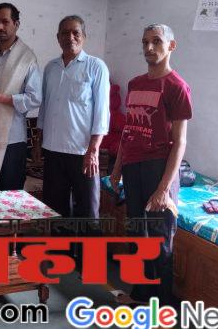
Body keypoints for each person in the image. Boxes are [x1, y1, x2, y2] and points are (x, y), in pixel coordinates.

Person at [110, 23, 192, 305]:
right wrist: (117, 168)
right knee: (138, 234)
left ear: (171, 46)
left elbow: (179, 142)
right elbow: (128, 130)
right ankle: (141, 295)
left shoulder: (177, 87)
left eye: (156, 41)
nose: (149, 47)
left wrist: (163, 188)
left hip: (159, 168)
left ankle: (162, 305)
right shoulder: (135, 84)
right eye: (145, 42)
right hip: (133, 168)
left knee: (160, 239)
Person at [38, 15, 110, 219]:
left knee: (87, 212)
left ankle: (86, 243)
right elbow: (45, 107)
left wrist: (93, 150)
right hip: (53, 151)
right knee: (55, 211)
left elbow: (102, 112)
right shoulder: (50, 68)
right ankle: (61, 242)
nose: (70, 37)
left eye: (75, 32)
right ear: (58, 37)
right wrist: (38, 141)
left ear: (84, 36)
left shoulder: (96, 66)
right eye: (65, 33)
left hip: (83, 152)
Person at [0, 3, 42, 191]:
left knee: (11, 196)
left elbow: (35, 98)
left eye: (5, 22)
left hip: (13, 141)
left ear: (16, 24)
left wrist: (1, 98)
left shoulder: (27, 58)